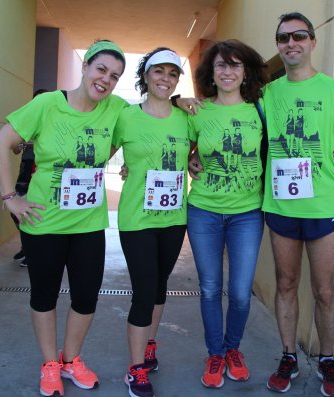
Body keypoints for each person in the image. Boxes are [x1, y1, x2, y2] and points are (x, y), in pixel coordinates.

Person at [0, 39, 128, 397]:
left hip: (88, 225)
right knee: (45, 295)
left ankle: (72, 360)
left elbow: (151, 115)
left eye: (114, 76)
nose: (105, 80)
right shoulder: (47, 104)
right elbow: (0, 142)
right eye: (101, 69)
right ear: (85, 67)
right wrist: (11, 198)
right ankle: (51, 364)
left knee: (86, 297)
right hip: (44, 222)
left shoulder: (116, 110)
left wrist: (181, 101)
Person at [263, 12, 334, 397]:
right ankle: (288, 355)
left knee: (325, 290)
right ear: (278, 45)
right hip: (279, 208)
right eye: (283, 38)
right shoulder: (266, 94)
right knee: (286, 283)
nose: (290, 43)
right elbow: (226, 110)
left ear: (312, 42)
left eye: (298, 36)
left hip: (323, 207)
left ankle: (326, 359)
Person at [187, 39, 269, 389]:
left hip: (247, 215)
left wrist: (333, 154)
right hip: (203, 211)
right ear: (211, 72)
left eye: (235, 65)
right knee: (209, 288)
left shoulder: (260, 110)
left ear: (246, 71)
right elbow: (174, 145)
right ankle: (214, 353)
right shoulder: (198, 112)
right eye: (221, 65)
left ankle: (233, 348)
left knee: (238, 291)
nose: (228, 71)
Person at [112, 47, 190, 397]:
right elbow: (99, 149)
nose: (165, 79)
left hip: (175, 219)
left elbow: (201, 152)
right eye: (158, 71)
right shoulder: (125, 116)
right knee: (144, 291)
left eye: (172, 74)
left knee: (160, 285)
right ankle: (135, 368)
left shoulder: (187, 117)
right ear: (145, 75)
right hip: (137, 219)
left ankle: (149, 345)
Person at [10, 88, 49, 267]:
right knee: (16, 211)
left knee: (35, 211)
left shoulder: (52, 123)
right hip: (24, 171)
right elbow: (15, 148)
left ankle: (31, 250)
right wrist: (22, 143)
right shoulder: (28, 121)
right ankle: (26, 245)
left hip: (39, 174)